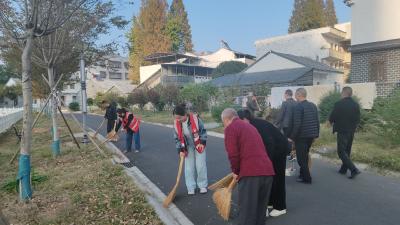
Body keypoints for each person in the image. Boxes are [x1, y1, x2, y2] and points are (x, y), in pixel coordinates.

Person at [221, 108, 275, 225]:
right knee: (260, 213)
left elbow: (233, 154)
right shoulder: (250, 127)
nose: (224, 125)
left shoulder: (231, 128)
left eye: (223, 123)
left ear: (226, 119)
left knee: (247, 213)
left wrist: (236, 171)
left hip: (251, 174)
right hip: (267, 172)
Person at [237, 109, 289, 217]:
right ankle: (270, 202)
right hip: (271, 149)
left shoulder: (258, 125)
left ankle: (280, 207)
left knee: (277, 178)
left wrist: (266, 163)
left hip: (279, 149)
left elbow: (269, 144)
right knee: (269, 179)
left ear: (246, 119)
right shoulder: (249, 126)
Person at [173, 104, 208, 195]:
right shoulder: (176, 124)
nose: (178, 120)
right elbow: (176, 138)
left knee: (200, 165)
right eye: (176, 118)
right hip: (187, 146)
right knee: (189, 167)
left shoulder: (196, 119)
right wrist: (180, 150)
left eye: (179, 118)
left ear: (185, 114)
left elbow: (203, 131)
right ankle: (191, 186)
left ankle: (202, 185)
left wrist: (203, 143)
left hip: (199, 143)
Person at [329, 87, 361, 179]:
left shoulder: (339, 104)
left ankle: (354, 169)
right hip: (351, 131)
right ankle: (343, 169)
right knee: (347, 151)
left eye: (341, 92)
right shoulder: (355, 104)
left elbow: (333, 117)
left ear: (344, 93)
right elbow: (358, 119)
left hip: (342, 131)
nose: (340, 94)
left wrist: (330, 122)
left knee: (341, 151)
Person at [290, 88, 319, 184]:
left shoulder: (298, 107)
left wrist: (292, 137)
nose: (295, 97)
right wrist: (316, 135)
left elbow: (297, 124)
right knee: (305, 156)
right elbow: (317, 121)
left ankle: (307, 178)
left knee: (301, 159)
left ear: (298, 95)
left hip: (302, 136)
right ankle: (302, 174)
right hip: (311, 135)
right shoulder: (313, 106)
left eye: (295, 95)